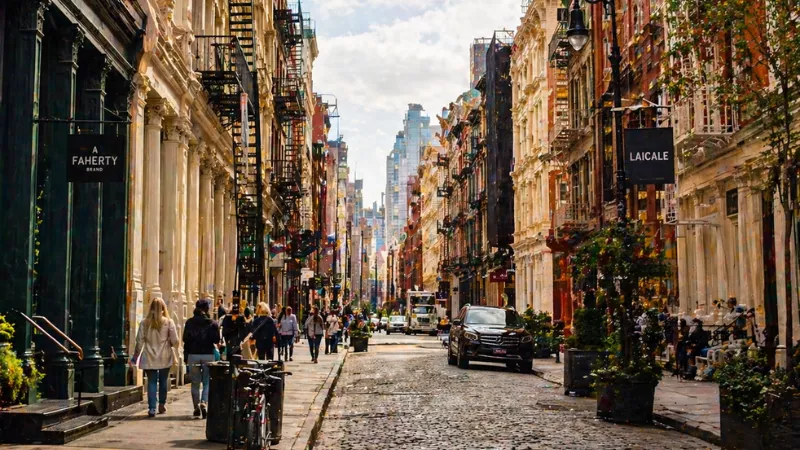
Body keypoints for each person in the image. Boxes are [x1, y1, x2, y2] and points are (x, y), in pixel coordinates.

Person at [132, 297, 179, 417]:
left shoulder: (144, 323)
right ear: (163, 309)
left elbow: (139, 341)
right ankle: (162, 404)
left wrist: (135, 357)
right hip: (165, 355)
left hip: (148, 356)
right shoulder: (169, 322)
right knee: (163, 381)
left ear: (151, 308)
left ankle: (152, 408)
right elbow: (175, 341)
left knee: (151, 382)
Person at [182, 298, 219, 418]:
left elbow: (185, 339)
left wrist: (185, 356)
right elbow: (216, 340)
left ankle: (196, 407)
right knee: (207, 382)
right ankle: (204, 402)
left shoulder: (189, 322)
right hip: (208, 354)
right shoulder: (212, 323)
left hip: (193, 355)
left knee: (195, 383)